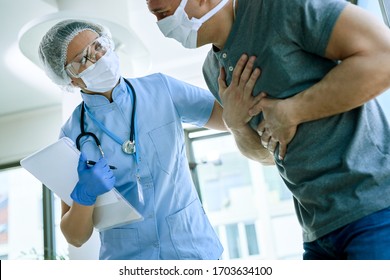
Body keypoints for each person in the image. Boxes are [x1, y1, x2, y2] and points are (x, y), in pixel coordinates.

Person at [147, 0, 390, 259]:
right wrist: (236, 124)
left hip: (373, 208)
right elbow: (267, 156)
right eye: (158, 17)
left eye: (164, 15)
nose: (162, 24)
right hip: (317, 231)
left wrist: (293, 111)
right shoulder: (212, 71)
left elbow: (383, 56)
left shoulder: (280, 7)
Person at [38, 19, 269, 260]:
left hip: (192, 248)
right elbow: (75, 237)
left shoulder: (161, 88)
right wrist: (84, 194)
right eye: (83, 59)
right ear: (70, 80)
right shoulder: (72, 134)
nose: (97, 58)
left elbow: (229, 118)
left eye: (98, 46)